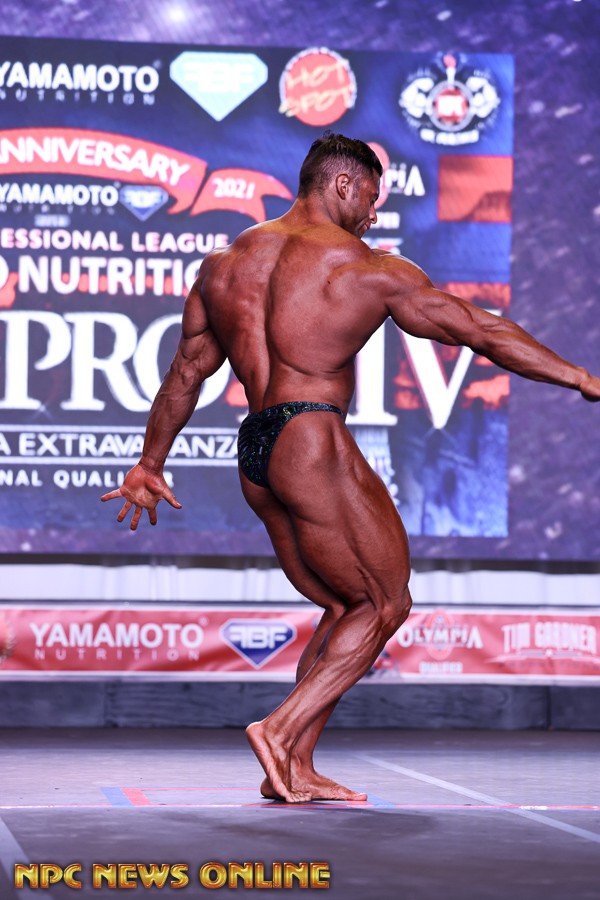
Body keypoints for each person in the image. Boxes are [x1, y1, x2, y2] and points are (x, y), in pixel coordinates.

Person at [102, 133, 600, 803]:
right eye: (370, 196)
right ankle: (279, 731)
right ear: (341, 184)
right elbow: (479, 331)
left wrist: (149, 461)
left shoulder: (225, 263)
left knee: (344, 605)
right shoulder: (365, 268)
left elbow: (188, 371)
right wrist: (578, 375)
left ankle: (293, 767)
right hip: (309, 436)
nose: (372, 212)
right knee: (386, 602)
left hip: (257, 450)